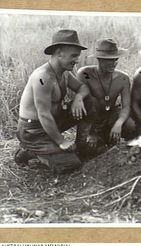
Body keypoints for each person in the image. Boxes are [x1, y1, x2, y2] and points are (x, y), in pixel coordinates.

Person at [15, 29, 92, 174]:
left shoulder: (64, 73)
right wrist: (61, 141)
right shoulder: (43, 77)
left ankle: (80, 147)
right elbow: (43, 114)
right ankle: (30, 152)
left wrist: (78, 98)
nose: (77, 60)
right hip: (33, 130)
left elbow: (83, 87)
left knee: (89, 102)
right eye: (74, 55)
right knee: (71, 165)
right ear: (59, 52)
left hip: (52, 121)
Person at [76, 38, 134, 157]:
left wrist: (119, 123)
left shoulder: (123, 78)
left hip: (110, 117)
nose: (113, 63)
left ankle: (112, 139)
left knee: (129, 125)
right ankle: (100, 141)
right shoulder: (85, 74)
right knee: (87, 152)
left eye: (115, 59)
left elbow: (126, 106)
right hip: (91, 120)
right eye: (108, 60)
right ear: (99, 59)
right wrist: (91, 133)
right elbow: (84, 105)